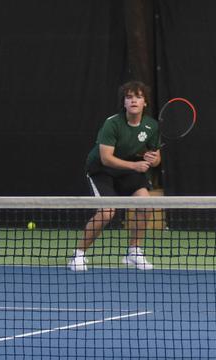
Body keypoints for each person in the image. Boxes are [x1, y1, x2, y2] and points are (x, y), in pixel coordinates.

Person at [68, 80, 161, 272]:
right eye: (129, 97)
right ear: (124, 103)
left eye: (138, 96)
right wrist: (136, 165)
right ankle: (78, 255)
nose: (133, 100)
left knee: (146, 205)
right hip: (101, 170)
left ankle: (134, 252)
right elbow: (106, 158)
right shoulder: (112, 124)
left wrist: (152, 159)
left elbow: (157, 159)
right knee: (107, 212)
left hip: (127, 171)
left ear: (145, 103)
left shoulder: (151, 126)